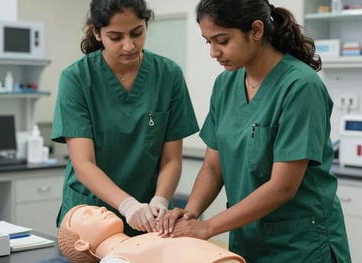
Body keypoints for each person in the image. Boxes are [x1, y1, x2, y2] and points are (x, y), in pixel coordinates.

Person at [159, 0, 352, 262]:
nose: (214, 52)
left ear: (257, 30)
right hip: (249, 240)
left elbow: (282, 186)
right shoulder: (225, 84)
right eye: (208, 42)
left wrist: (209, 227)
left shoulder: (300, 86)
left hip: (301, 244)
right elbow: (214, 167)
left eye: (222, 40)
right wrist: (190, 213)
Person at [51, 0, 199, 237]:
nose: (129, 45)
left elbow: (171, 159)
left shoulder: (168, 75)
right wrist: (127, 205)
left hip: (152, 218)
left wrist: (161, 199)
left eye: (137, 33)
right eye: (115, 37)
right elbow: (83, 164)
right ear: (96, 33)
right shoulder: (76, 78)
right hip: (91, 216)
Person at [57, 204, 246, 263]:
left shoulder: (144, 238)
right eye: (88, 214)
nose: (101, 208)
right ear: (81, 244)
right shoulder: (115, 259)